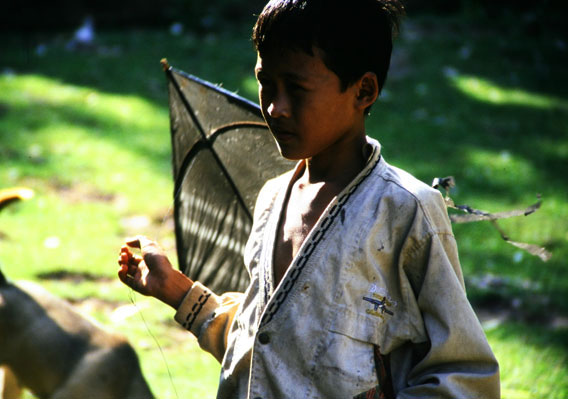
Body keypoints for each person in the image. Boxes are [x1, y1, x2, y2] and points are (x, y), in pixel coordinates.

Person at [118, 0, 501, 397]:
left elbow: (467, 376)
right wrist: (176, 290)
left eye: (296, 89)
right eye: (265, 83)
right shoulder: (270, 200)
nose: (274, 107)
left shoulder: (405, 211)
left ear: (363, 91)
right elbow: (266, 350)